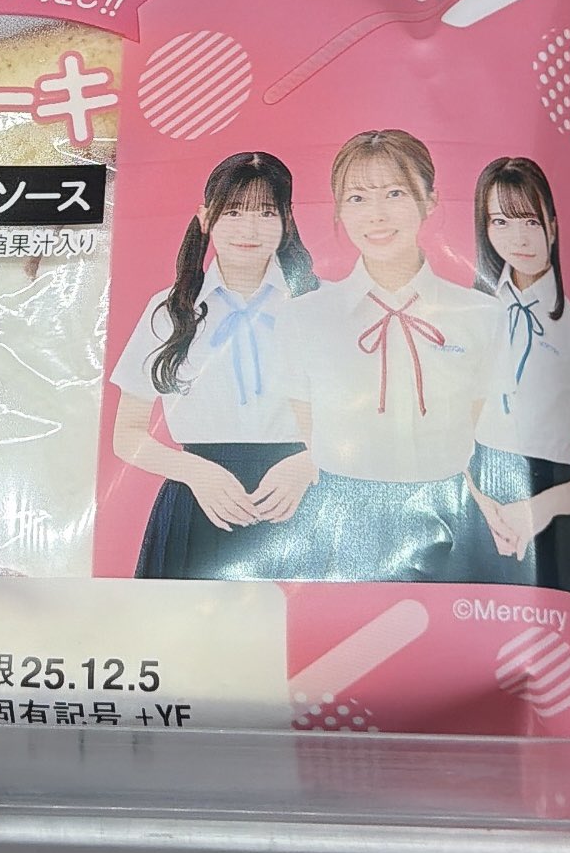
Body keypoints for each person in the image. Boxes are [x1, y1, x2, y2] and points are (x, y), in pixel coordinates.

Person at [284, 128, 499, 583]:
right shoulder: (305, 317)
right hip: (340, 519)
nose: (376, 215)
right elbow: (306, 430)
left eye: (395, 193)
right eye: (357, 198)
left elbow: (481, 429)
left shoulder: (480, 315)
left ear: (430, 200)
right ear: (339, 209)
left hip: (451, 516)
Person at [110, 150, 319, 579]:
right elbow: (126, 434)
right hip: (198, 501)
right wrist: (196, 473)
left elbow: (368, 421)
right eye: (234, 211)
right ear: (206, 218)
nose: (249, 228)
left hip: (296, 498)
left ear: (287, 219)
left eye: (266, 212)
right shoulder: (168, 311)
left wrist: (309, 464)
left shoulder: (320, 305)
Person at [467, 156, 570, 600]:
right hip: (475, 501)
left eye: (530, 221)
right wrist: (478, 499)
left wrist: (539, 509)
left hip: (549, 503)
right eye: (500, 221)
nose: (517, 238)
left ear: (553, 227)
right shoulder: (473, 314)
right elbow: (450, 429)